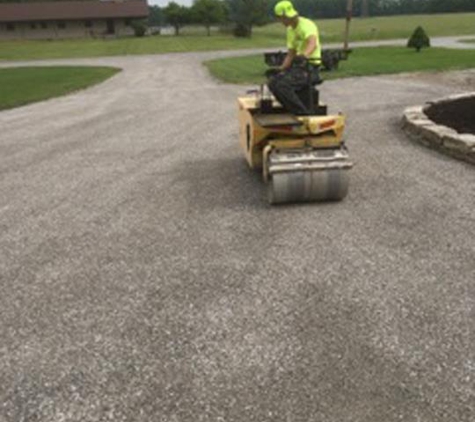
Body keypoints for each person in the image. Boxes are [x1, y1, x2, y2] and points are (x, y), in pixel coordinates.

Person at [268, 0, 322, 115]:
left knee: (283, 85)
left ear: (286, 16)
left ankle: (302, 114)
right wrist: (280, 69)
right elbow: (291, 53)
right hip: (299, 67)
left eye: (281, 18)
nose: (280, 21)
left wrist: (304, 56)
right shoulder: (290, 30)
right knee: (273, 82)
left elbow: (312, 43)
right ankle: (292, 109)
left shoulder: (306, 25)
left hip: (311, 66)